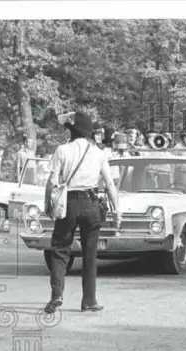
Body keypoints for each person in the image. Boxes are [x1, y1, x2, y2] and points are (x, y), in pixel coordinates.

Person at [43, 112, 121, 314]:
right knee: (89, 253)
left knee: (60, 249)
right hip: (91, 204)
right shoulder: (99, 153)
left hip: (68, 203)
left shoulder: (62, 150)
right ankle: (89, 300)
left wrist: (47, 205)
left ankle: (56, 296)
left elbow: (52, 182)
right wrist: (117, 210)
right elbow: (110, 184)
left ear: (72, 130)